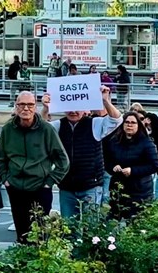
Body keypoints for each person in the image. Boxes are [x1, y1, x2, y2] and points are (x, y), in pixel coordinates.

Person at [0, 91, 69, 243]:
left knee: (39, 234)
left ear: (35, 107)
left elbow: (63, 160)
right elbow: (0, 158)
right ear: (16, 107)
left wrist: (50, 182)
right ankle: (22, 265)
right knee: (21, 233)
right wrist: (5, 178)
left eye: (30, 105)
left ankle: (39, 266)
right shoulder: (8, 129)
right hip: (16, 187)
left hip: (40, 187)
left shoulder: (46, 129)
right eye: (22, 104)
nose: (26, 109)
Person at [41, 86, 121, 221]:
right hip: (67, 187)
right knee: (69, 229)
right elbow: (42, 128)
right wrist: (45, 108)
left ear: (86, 109)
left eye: (77, 107)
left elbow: (116, 120)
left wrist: (106, 101)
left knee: (91, 229)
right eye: (69, 107)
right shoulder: (59, 125)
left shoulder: (94, 124)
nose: (73, 111)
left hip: (90, 186)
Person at [103, 112, 158, 220]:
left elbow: (154, 165)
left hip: (139, 191)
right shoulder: (114, 141)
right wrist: (113, 167)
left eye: (133, 123)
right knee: (112, 223)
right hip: (118, 190)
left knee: (135, 225)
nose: (129, 125)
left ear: (138, 125)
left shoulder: (147, 142)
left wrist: (133, 171)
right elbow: (107, 161)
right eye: (127, 122)